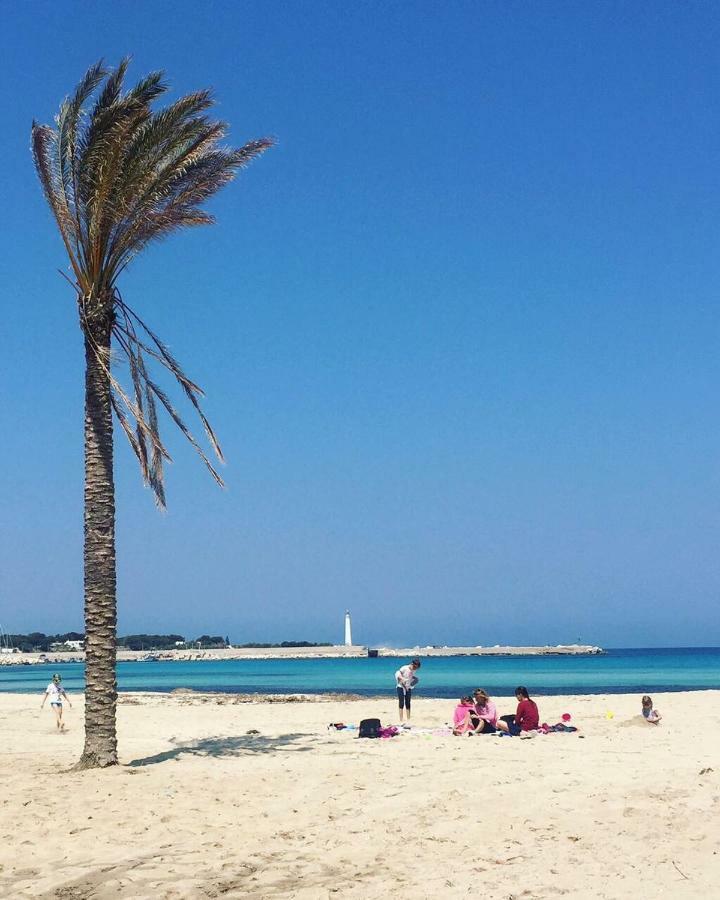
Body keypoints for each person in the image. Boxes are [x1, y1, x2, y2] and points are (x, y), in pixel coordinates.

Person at [395, 658, 421, 722]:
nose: (415, 669)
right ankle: (401, 719)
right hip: (400, 686)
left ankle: (408, 719)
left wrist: (415, 678)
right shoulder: (404, 668)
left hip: (408, 687)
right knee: (401, 702)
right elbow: (398, 675)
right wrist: (403, 681)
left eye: (416, 668)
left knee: (408, 702)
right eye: (415, 667)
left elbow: (411, 676)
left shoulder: (414, 670)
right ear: (412, 664)